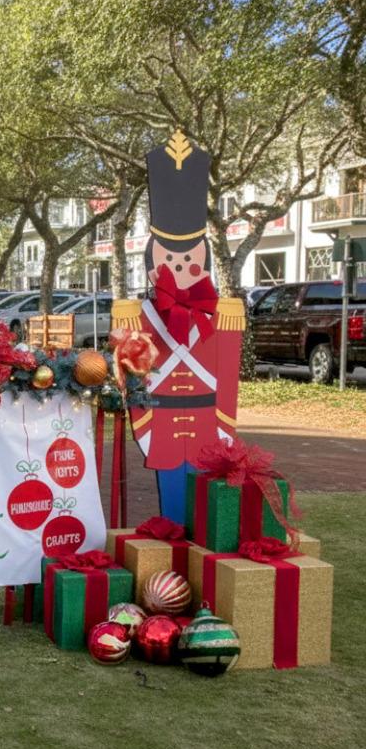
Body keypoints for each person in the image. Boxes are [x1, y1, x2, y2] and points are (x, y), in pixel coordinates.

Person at [111, 130, 245, 523]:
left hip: (208, 425)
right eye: (172, 262)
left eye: (191, 263)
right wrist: (146, 425)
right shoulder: (133, 317)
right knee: (172, 514)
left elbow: (228, 377)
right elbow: (131, 380)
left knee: (206, 511)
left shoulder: (224, 314)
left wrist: (224, 426)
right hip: (162, 424)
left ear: (203, 265)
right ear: (153, 267)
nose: (183, 271)